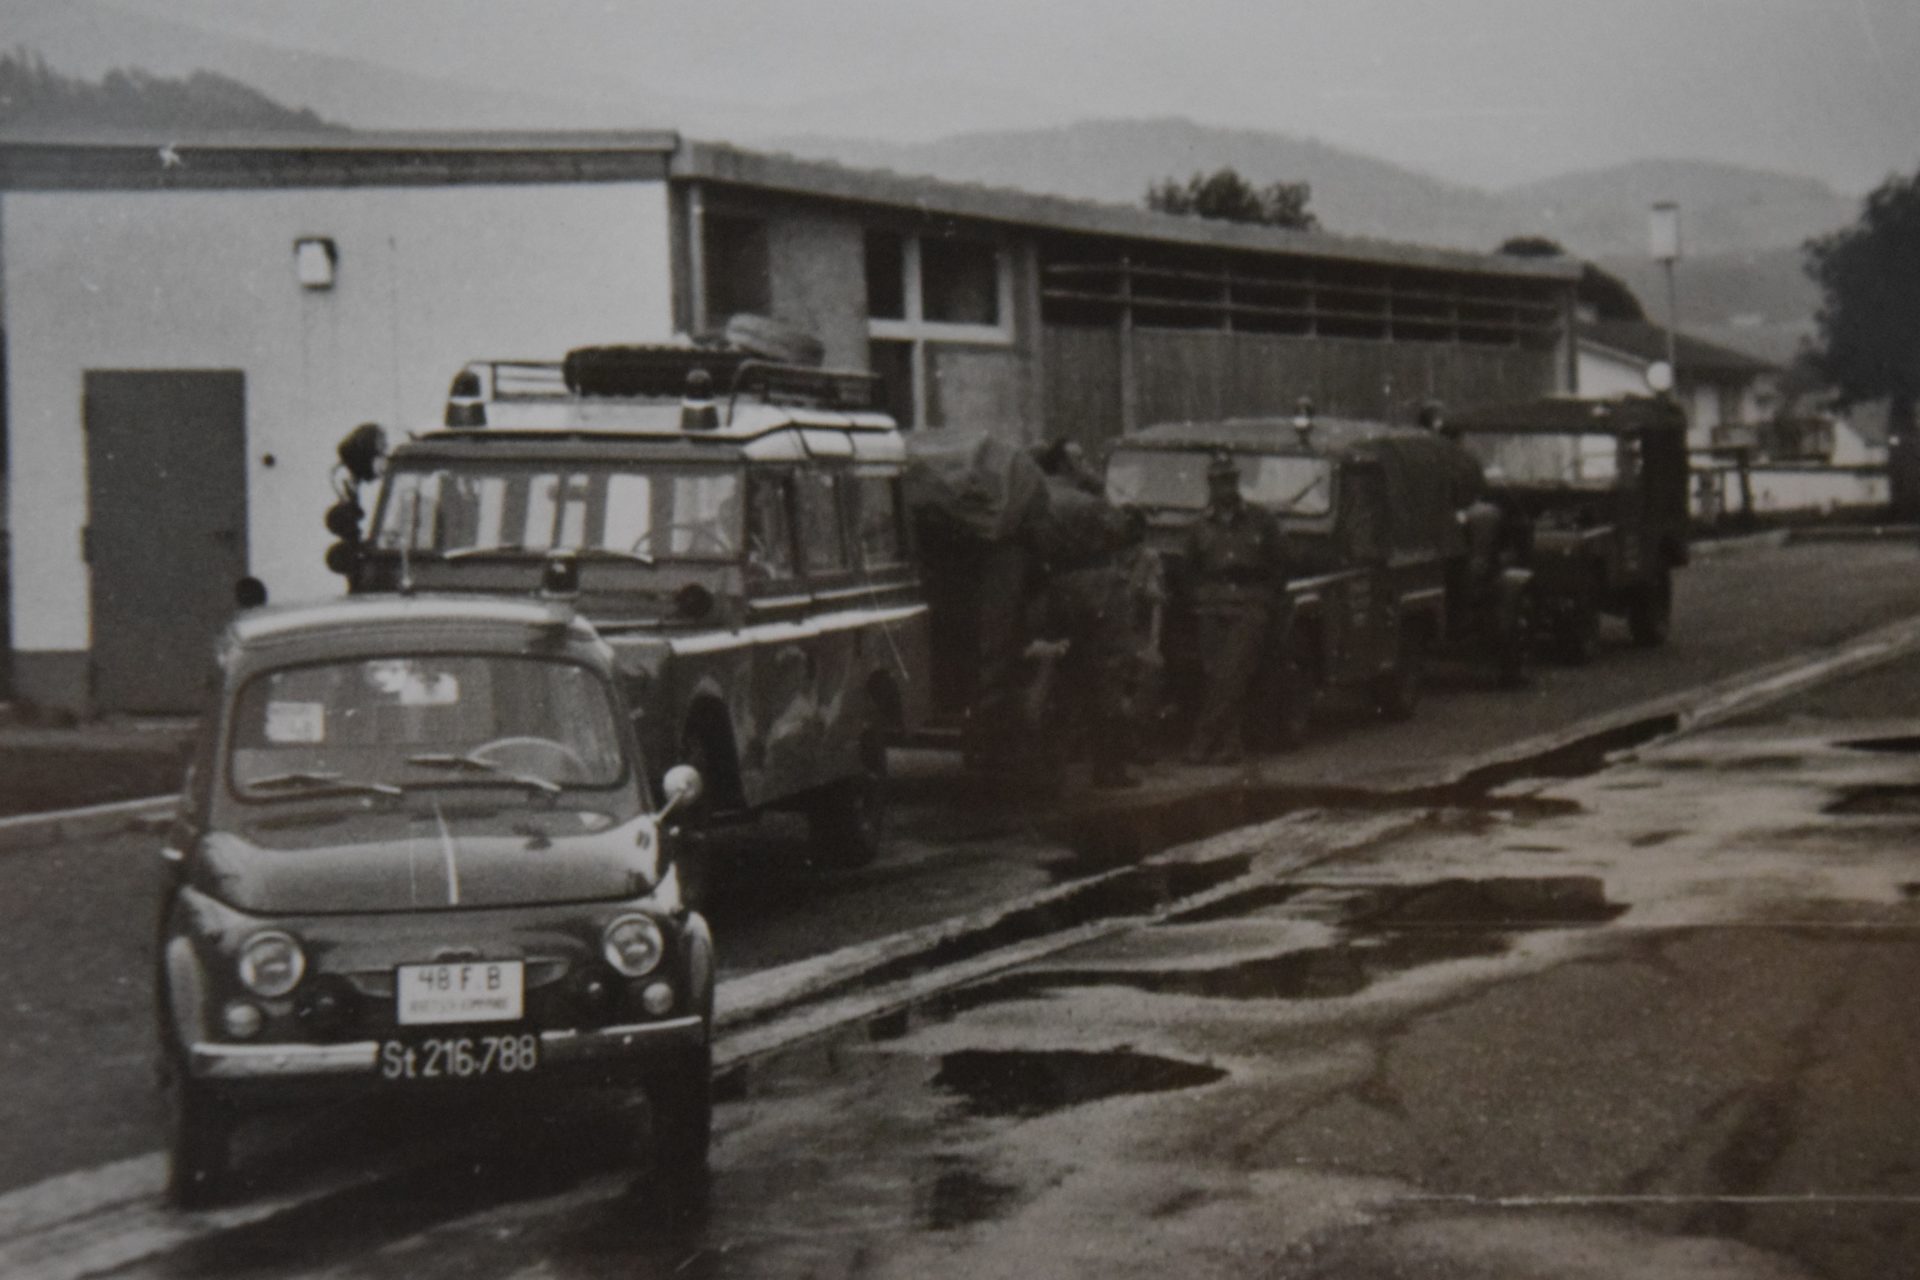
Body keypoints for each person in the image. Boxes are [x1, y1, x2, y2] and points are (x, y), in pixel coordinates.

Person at [1180, 451, 1289, 764]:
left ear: (1238, 481)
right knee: (1217, 675)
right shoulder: (1198, 526)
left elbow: (1280, 564)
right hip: (1211, 605)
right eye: (1218, 481)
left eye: (1229, 479)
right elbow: (1189, 570)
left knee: (1232, 672)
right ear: (1210, 485)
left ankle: (1201, 742)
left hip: (1249, 604)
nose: (1224, 487)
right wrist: (1201, 598)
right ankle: (1231, 745)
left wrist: (1264, 599)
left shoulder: (1262, 520)